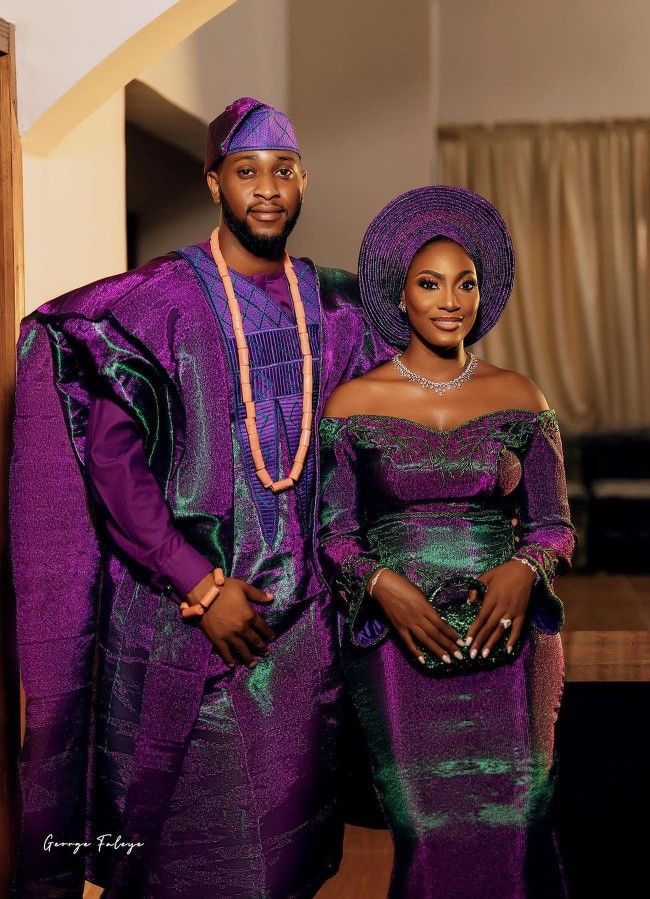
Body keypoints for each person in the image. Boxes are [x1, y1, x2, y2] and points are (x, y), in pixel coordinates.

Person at [10, 97, 392, 898]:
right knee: (202, 859)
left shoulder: (339, 309)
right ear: (214, 181)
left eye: (282, 171)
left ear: (303, 181)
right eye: (246, 171)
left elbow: (395, 423)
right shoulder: (158, 304)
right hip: (198, 629)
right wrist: (200, 582)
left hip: (305, 641)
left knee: (292, 857)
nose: (267, 188)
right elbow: (115, 467)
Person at [318, 186, 577, 898]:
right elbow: (333, 533)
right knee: (426, 836)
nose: (450, 298)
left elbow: (556, 523)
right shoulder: (354, 402)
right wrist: (382, 585)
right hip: (400, 649)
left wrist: (525, 568)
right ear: (399, 296)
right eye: (429, 283)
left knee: (518, 824)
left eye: (465, 282)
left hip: (514, 645)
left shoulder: (521, 393)